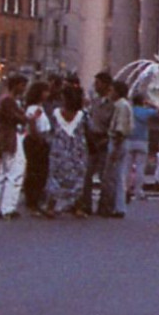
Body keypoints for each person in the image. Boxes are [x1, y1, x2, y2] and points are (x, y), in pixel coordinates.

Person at [44, 82, 90, 219]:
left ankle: (51, 206)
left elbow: (50, 129)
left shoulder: (56, 113)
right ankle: (78, 207)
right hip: (77, 149)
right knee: (78, 177)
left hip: (59, 148)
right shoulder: (82, 115)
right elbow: (89, 129)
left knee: (55, 176)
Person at [0, 73, 28, 220]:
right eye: (23, 85)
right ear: (16, 85)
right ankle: (8, 207)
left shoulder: (4, 99)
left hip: (1, 138)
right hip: (9, 137)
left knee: (2, 173)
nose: (24, 89)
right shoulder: (9, 101)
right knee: (15, 171)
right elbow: (20, 118)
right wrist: (28, 118)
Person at [80, 72, 115, 215]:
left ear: (106, 85)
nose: (96, 86)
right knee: (87, 174)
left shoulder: (113, 104)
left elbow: (113, 124)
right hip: (91, 141)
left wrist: (107, 138)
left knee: (105, 176)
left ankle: (105, 206)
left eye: (98, 83)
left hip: (105, 140)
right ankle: (86, 204)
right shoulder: (94, 102)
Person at [99, 79, 133, 218]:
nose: (110, 93)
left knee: (116, 175)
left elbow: (120, 128)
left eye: (112, 90)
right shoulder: (122, 104)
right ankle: (117, 205)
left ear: (118, 92)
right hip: (118, 141)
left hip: (118, 141)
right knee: (118, 175)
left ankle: (118, 207)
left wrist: (115, 148)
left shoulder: (121, 105)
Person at [22, 80, 52, 213]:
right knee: (37, 171)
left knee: (36, 170)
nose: (48, 94)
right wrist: (38, 139)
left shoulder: (38, 107)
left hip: (38, 139)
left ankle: (33, 198)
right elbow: (32, 123)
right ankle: (33, 199)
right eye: (46, 91)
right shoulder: (35, 109)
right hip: (36, 141)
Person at [125, 91, 159, 201]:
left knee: (127, 167)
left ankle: (126, 189)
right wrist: (151, 104)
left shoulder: (129, 111)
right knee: (140, 167)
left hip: (129, 140)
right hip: (142, 141)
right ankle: (138, 191)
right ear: (142, 102)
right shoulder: (146, 112)